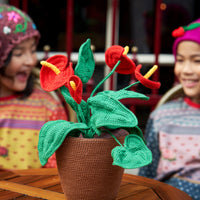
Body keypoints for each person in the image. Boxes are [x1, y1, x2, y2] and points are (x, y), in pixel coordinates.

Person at [0, 4, 68, 170]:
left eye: (32, 50)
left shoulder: (48, 106)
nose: (30, 60)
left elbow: (59, 169)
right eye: (18, 53)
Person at [138, 18, 200, 200]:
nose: (186, 70)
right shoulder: (163, 117)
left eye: (197, 61)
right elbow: (146, 177)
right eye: (180, 61)